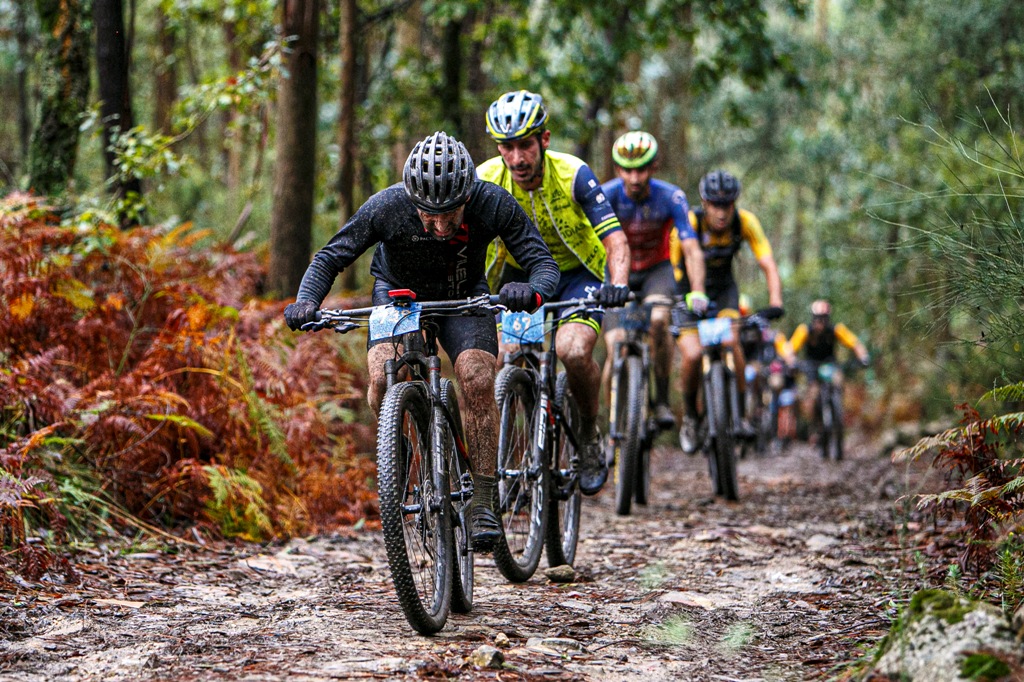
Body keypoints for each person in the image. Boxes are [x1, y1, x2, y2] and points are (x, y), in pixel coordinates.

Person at [283, 131, 559, 551]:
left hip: (465, 295)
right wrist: (306, 300)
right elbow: (330, 257)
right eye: (429, 215)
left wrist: (531, 290)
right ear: (411, 200)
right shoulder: (387, 206)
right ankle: (404, 452)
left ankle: (484, 501)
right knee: (381, 379)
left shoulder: (493, 202)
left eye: (451, 213)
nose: (442, 226)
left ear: (469, 194)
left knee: (478, 377)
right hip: (397, 295)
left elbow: (542, 262)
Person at [478, 89, 631, 496]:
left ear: (544, 140)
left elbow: (615, 240)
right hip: (519, 278)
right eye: (507, 147)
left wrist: (616, 285)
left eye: (525, 144)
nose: (517, 158)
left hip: (577, 273)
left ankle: (587, 435)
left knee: (573, 350)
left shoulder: (574, 173)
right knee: (501, 358)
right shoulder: (486, 179)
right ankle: (513, 457)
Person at [599, 131, 707, 429]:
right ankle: (612, 424)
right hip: (615, 272)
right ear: (618, 169)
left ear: (654, 166)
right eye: (628, 170)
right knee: (615, 345)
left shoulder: (670, 196)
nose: (635, 177)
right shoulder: (605, 195)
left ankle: (660, 400)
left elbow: (691, 248)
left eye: (642, 169)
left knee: (659, 320)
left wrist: (697, 290)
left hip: (656, 272)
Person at [672, 170, 784, 454]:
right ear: (704, 202)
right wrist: (678, 297)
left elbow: (767, 262)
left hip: (724, 293)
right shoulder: (689, 222)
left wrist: (775, 301)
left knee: (732, 341)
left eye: (727, 205)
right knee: (693, 355)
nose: (721, 212)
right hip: (686, 293)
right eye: (714, 204)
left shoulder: (744, 222)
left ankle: (740, 415)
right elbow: (673, 265)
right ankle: (691, 417)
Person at [787, 299, 870, 433]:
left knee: (838, 382)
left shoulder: (836, 329)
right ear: (813, 318)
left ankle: (837, 411)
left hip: (830, 364)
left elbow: (855, 343)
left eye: (824, 318)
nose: (821, 322)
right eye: (818, 318)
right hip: (811, 365)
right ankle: (815, 425)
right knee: (813, 394)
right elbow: (790, 348)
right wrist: (791, 362)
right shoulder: (804, 330)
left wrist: (863, 357)